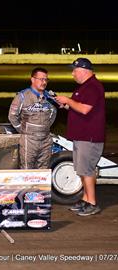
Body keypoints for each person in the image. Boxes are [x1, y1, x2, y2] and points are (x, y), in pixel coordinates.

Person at [56, 58, 105, 216]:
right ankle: (85, 199)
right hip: (81, 136)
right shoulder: (84, 87)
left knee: (87, 170)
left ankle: (92, 203)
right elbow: (78, 107)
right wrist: (67, 105)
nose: (72, 73)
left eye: (74, 70)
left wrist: (68, 100)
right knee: (82, 170)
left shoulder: (93, 87)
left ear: (84, 70)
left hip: (89, 137)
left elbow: (84, 109)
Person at [8, 67, 57, 169]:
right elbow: (12, 116)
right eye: (41, 79)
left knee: (43, 169)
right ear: (33, 79)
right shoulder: (22, 96)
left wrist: (45, 127)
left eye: (46, 79)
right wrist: (22, 130)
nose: (44, 82)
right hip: (29, 139)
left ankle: (40, 186)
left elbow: (53, 113)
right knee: (26, 168)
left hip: (45, 139)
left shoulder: (49, 97)